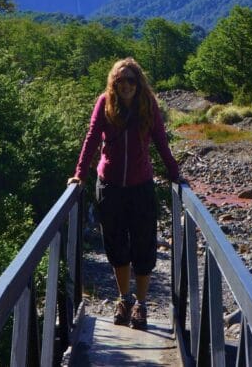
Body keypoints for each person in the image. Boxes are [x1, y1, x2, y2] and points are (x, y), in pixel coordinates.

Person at [67, 58, 186, 330]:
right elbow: (92, 138)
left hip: (141, 184)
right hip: (109, 185)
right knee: (116, 245)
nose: (127, 85)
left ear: (138, 81)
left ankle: (141, 305)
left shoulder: (148, 104)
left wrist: (174, 173)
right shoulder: (104, 103)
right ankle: (124, 298)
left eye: (131, 80)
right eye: (121, 80)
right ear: (114, 82)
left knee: (143, 245)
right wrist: (80, 174)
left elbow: (160, 140)